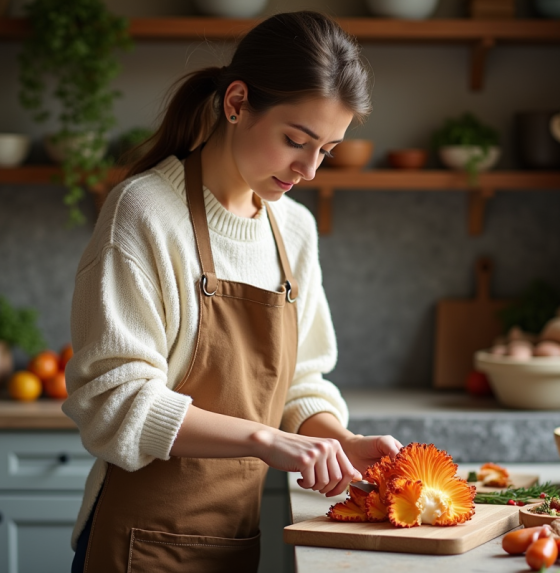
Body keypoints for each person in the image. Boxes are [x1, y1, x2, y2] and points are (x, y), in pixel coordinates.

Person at [63, 11, 402, 573]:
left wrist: (339, 440)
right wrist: (264, 440)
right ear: (238, 103)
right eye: (297, 140)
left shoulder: (293, 229)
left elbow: (299, 384)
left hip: (231, 546)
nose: (309, 170)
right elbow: (115, 400)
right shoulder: (143, 212)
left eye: (327, 150)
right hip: (135, 547)